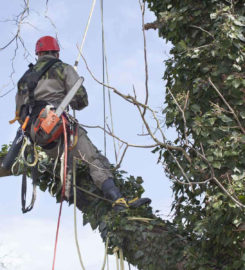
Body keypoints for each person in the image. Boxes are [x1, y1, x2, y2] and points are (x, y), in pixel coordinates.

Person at [13, 35, 151, 210]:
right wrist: (65, 94)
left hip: (37, 135)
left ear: (38, 54)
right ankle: (117, 199)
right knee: (93, 159)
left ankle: (70, 188)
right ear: (56, 53)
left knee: (68, 161)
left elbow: (19, 114)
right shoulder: (63, 68)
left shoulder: (24, 79)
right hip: (57, 126)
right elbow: (81, 101)